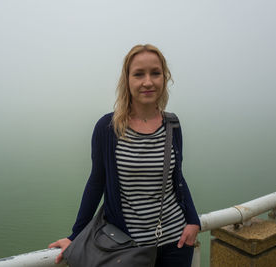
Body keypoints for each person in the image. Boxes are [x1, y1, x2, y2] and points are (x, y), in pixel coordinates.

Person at [49, 44, 200, 267]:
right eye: (139, 74)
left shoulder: (172, 125)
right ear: (127, 80)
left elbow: (177, 178)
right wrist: (75, 236)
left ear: (164, 78)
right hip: (127, 248)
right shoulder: (108, 128)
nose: (148, 82)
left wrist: (193, 221)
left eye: (155, 73)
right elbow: (96, 182)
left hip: (176, 242)